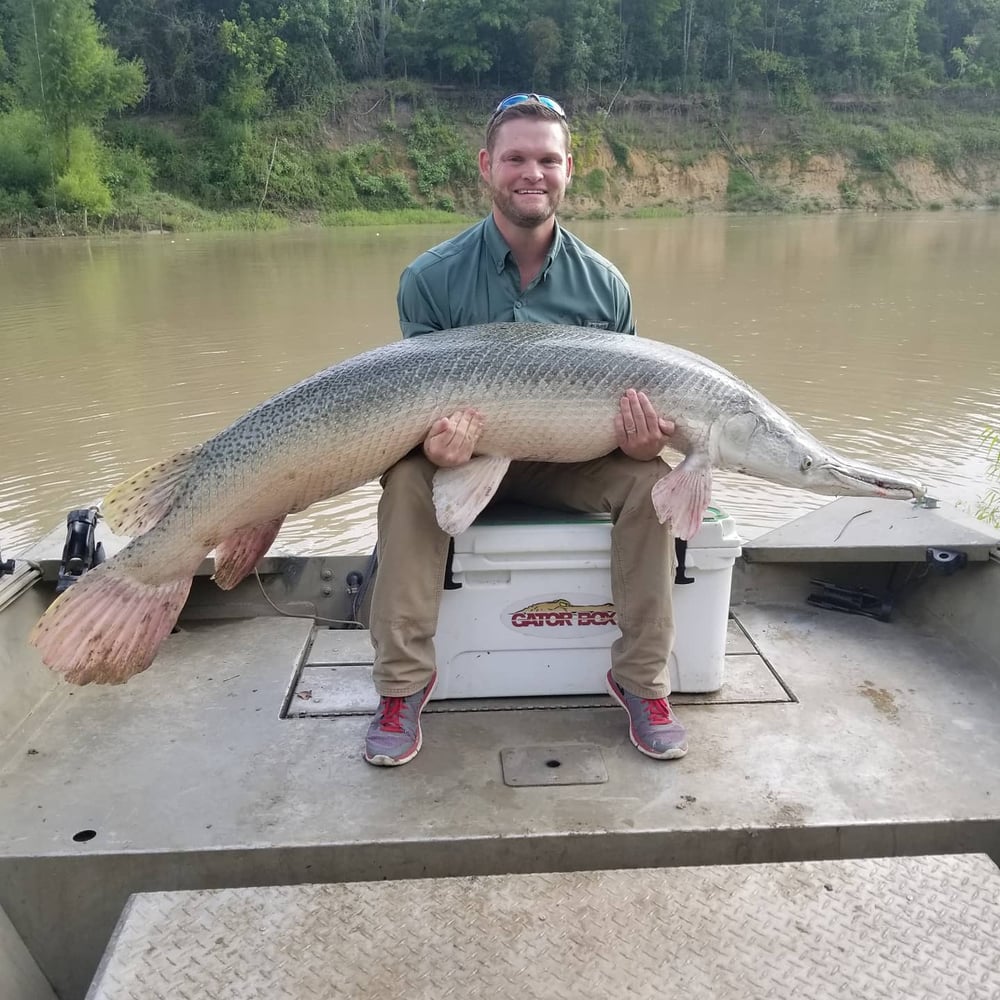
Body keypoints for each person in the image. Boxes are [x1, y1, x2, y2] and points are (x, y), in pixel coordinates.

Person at [365, 93, 687, 767]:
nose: (531, 173)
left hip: (568, 463)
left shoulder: (606, 286)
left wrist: (641, 439)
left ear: (570, 168)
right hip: (462, 461)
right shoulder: (429, 278)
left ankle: (641, 682)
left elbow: (629, 403)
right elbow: (415, 398)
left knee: (653, 481)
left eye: (547, 159)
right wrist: (436, 445)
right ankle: (401, 688)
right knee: (402, 479)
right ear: (487, 166)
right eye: (515, 158)